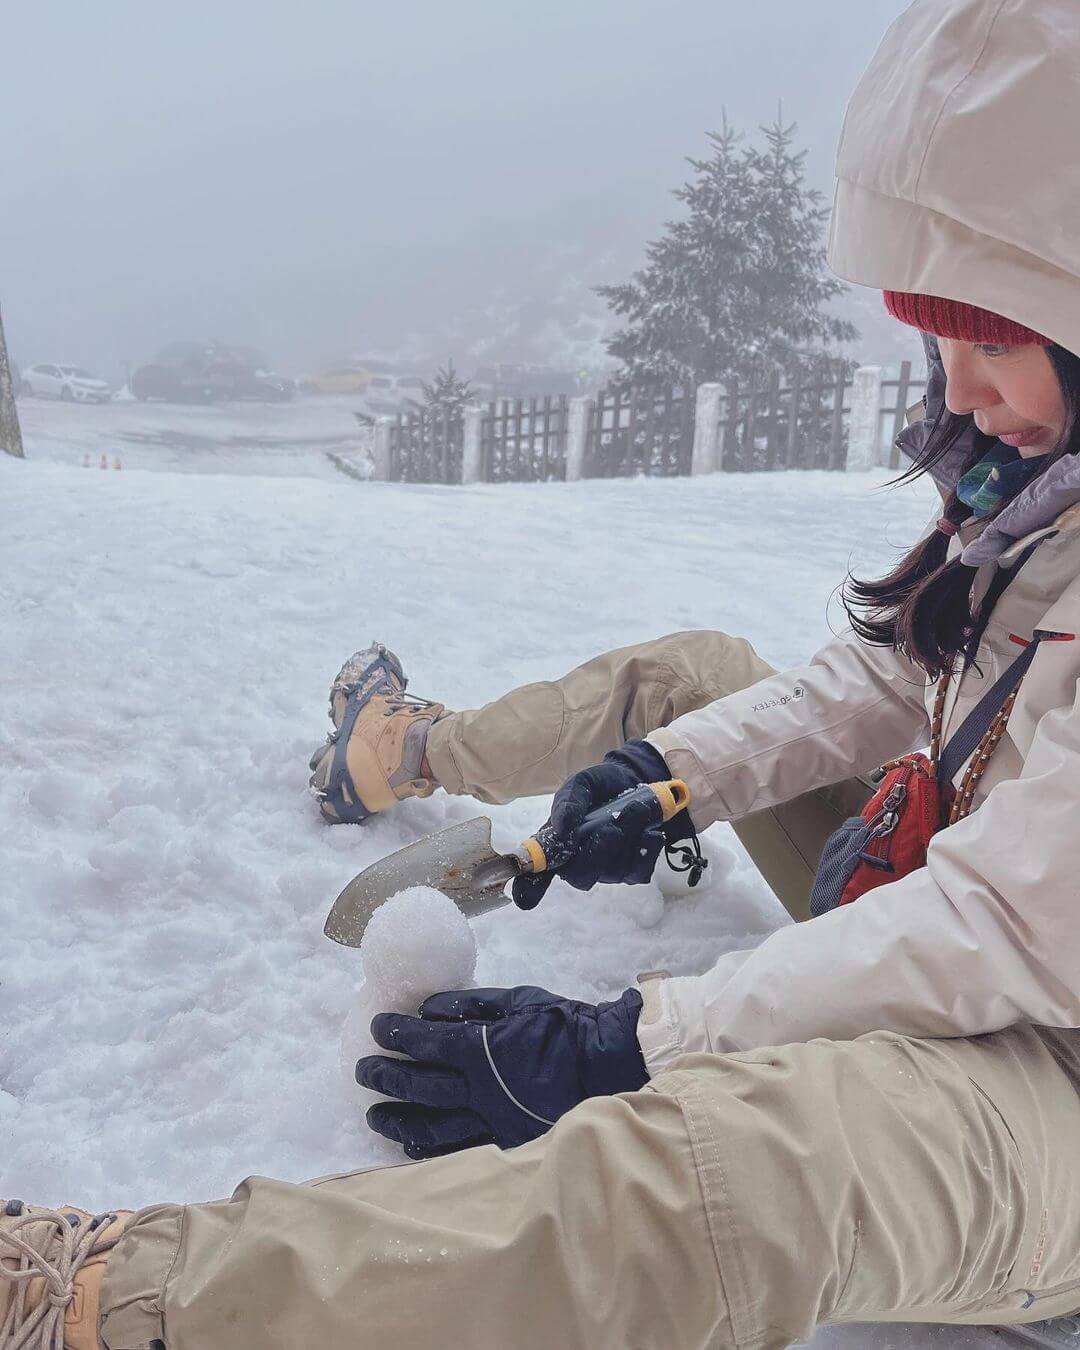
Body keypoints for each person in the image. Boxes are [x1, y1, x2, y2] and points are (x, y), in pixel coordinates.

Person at [6, 2, 1080, 1347]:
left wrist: (639, 1040)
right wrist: (668, 775)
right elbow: (867, 681)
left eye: (995, 336)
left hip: (1054, 1078)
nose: (963, 388)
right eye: (941, 340)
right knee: (692, 680)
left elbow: (1016, 928)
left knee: (748, 1171)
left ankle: (108, 1297)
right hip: (968, 894)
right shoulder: (1033, 497)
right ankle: (403, 751)